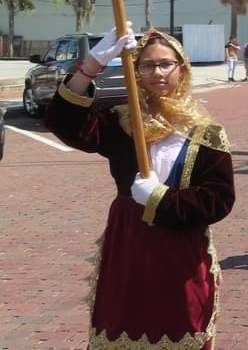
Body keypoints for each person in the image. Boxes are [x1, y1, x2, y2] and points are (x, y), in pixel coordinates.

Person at [44, 24, 235, 347]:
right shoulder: (121, 119)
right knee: (124, 324)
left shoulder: (206, 130)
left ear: (182, 68)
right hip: (129, 243)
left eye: (165, 64)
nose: (157, 72)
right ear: (137, 72)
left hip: (180, 248)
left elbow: (219, 198)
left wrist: (161, 199)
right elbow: (64, 124)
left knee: (179, 324)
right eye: (147, 65)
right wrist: (90, 66)